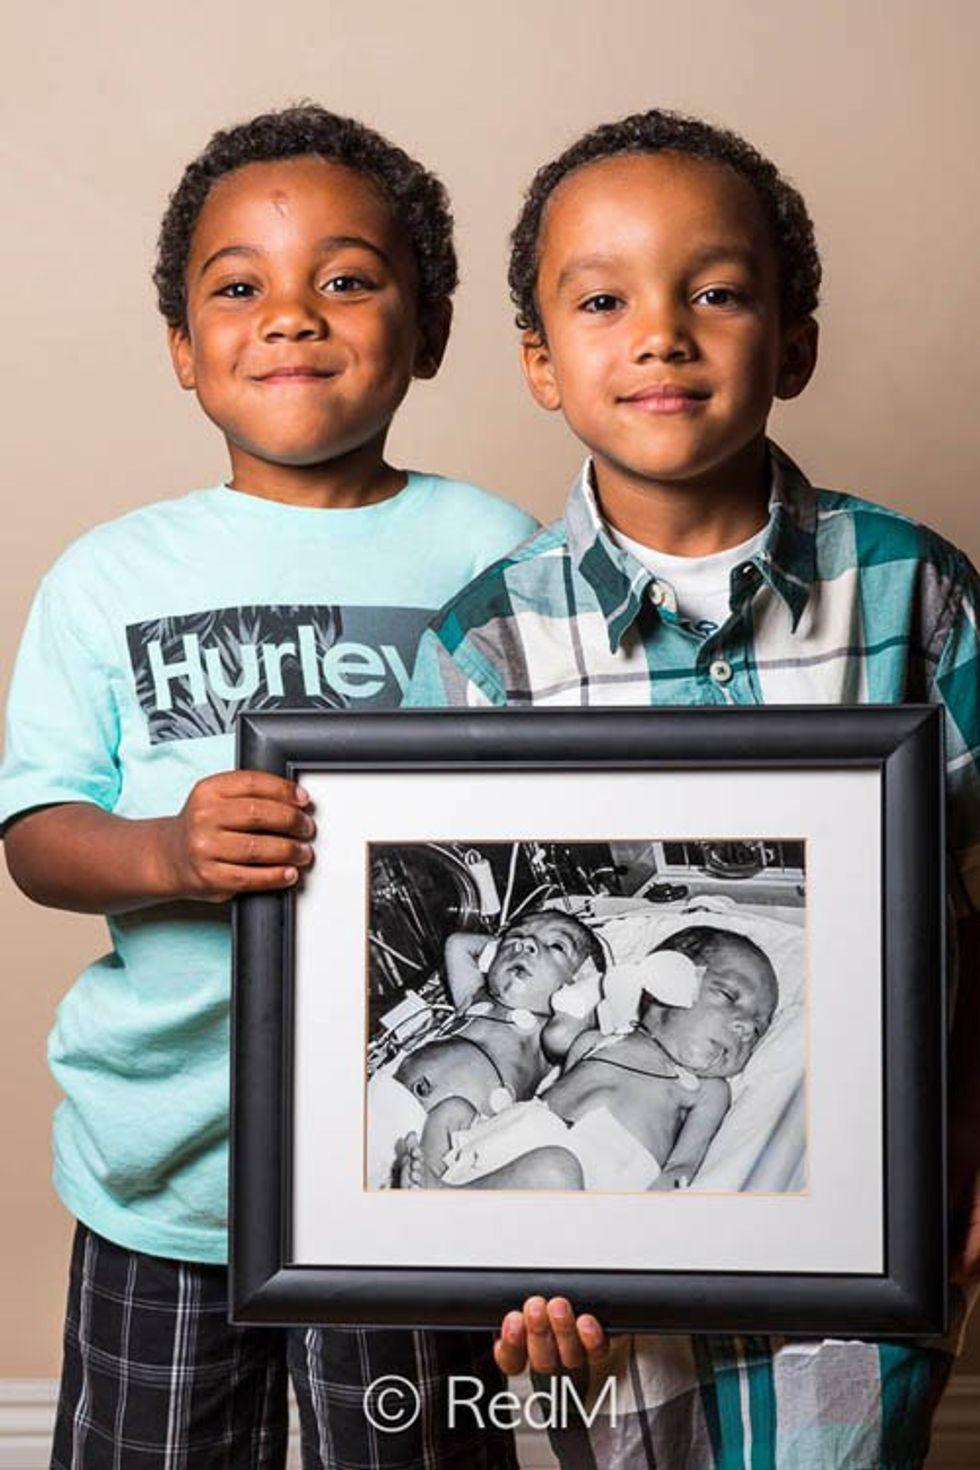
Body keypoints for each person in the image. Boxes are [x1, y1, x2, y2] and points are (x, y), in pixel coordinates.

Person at [406, 108, 980, 1467]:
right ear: (540, 363)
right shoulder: (485, 644)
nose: (660, 332)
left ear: (796, 340)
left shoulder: (913, 589)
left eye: (716, 292)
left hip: (865, 1254)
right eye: (602, 300)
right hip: (594, 1296)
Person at [0, 105, 535, 1470]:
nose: (291, 316)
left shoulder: (503, 557)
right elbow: (40, 835)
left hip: (414, 1158)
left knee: (417, 1451)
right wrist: (169, 853)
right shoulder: (105, 577)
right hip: (168, 1167)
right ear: (185, 348)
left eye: (347, 280)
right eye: (238, 287)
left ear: (428, 329)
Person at [398, 926, 778, 1193]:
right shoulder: (597, 1042)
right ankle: (435, 1189)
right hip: (501, 1151)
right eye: (730, 996)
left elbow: (684, 1162)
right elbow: (555, 1054)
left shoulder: (706, 1089)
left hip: (578, 1179)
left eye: (758, 1028)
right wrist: (603, 989)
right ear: (667, 979)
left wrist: (664, 1196)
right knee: (452, 1109)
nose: (746, 1026)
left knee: (554, 1168)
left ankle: (441, 1199)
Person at [369, 908, 606, 1186]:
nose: (526, 944)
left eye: (556, 945)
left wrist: (588, 990)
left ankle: (422, 1192)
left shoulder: (551, 1035)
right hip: (384, 1102)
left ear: (577, 982)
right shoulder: (474, 997)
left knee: (452, 1115)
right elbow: (458, 944)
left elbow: (570, 1033)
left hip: (443, 1144)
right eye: (517, 936)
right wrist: (501, 948)